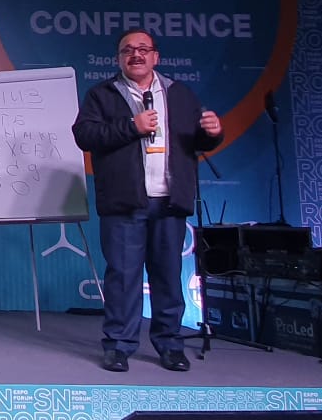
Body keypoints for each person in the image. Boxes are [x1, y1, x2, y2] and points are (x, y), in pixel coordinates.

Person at [72, 28, 223, 373]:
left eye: (143, 49)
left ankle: (170, 345)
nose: (136, 55)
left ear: (156, 56)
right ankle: (119, 346)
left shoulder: (180, 93)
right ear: (118, 59)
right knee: (123, 277)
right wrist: (132, 126)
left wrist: (213, 134)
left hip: (170, 201)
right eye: (128, 50)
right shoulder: (102, 94)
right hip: (125, 203)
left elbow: (195, 141)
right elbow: (85, 135)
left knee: (168, 277)